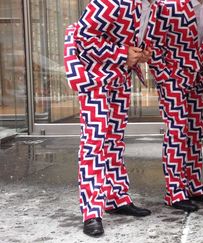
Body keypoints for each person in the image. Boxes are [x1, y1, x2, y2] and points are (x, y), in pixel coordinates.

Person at [63, 0, 157, 237]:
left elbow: (126, 39)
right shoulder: (112, 1)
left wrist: (140, 54)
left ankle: (117, 199)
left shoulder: (151, 6)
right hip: (94, 78)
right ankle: (92, 212)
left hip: (119, 78)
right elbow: (83, 37)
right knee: (94, 143)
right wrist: (121, 53)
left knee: (114, 142)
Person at [146, 0, 203, 213]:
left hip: (199, 78)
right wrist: (164, 77)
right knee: (177, 133)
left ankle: (194, 185)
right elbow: (152, 44)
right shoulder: (166, 5)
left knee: (195, 133)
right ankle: (175, 191)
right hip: (172, 79)